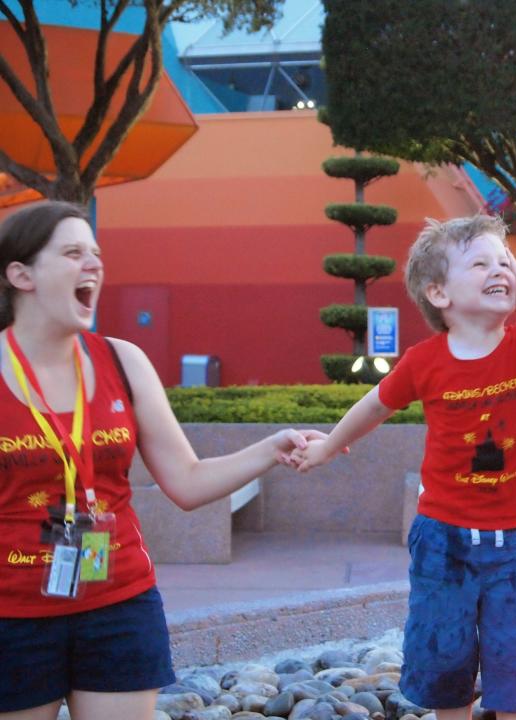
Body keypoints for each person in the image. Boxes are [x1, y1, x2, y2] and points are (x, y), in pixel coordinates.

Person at [0, 200, 312, 720]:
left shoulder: (124, 360)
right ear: (21, 274)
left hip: (118, 602)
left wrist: (269, 450)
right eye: (73, 253)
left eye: (96, 253)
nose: (93, 265)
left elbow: (187, 482)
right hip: (12, 614)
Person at [292, 214, 516, 720]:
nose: (500, 270)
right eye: (480, 263)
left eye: (504, 261)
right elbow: (375, 404)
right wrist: (329, 445)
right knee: (443, 654)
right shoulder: (424, 360)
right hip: (443, 539)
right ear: (439, 294)